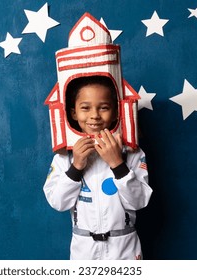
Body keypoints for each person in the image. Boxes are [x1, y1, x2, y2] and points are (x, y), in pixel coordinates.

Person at [43, 75, 152, 260]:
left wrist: (117, 164)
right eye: (85, 108)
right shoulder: (64, 157)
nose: (94, 115)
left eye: (104, 108)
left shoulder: (131, 152)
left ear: (116, 112)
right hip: (84, 250)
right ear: (74, 113)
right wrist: (76, 167)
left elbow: (139, 201)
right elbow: (58, 202)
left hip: (123, 250)